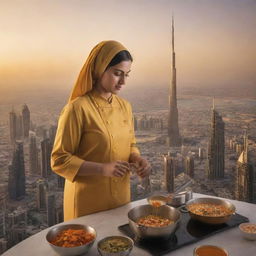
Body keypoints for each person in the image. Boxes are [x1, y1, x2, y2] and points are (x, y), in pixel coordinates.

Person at [51, 40, 151, 221]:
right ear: (99, 69)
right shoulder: (77, 108)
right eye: (117, 74)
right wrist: (102, 169)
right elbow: (59, 159)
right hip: (87, 202)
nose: (123, 82)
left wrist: (137, 158)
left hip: (120, 198)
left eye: (127, 75)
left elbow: (130, 143)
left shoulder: (125, 106)